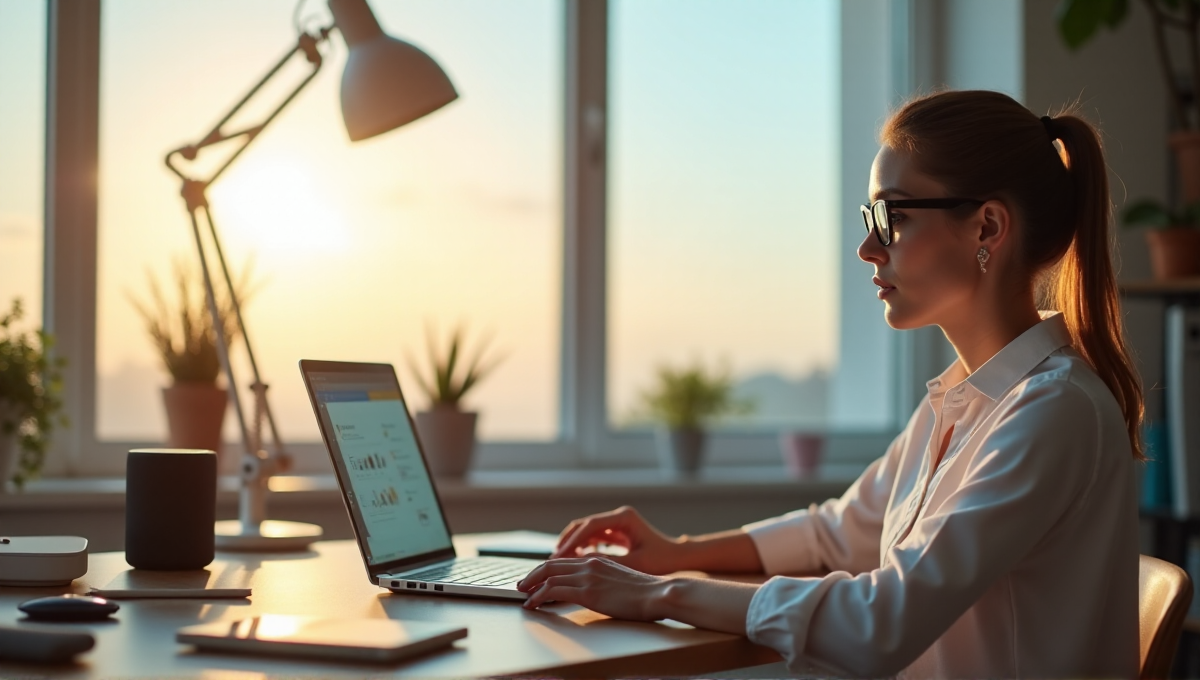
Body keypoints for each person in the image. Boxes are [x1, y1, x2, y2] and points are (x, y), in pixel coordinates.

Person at [516, 89, 1144, 678]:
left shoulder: (1052, 411)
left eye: (891, 216)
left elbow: (883, 621)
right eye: (870, 215)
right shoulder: (961, 400)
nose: (868, 247)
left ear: (986, 228)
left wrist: (660, 594)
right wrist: (674, 552)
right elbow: (837, 533)